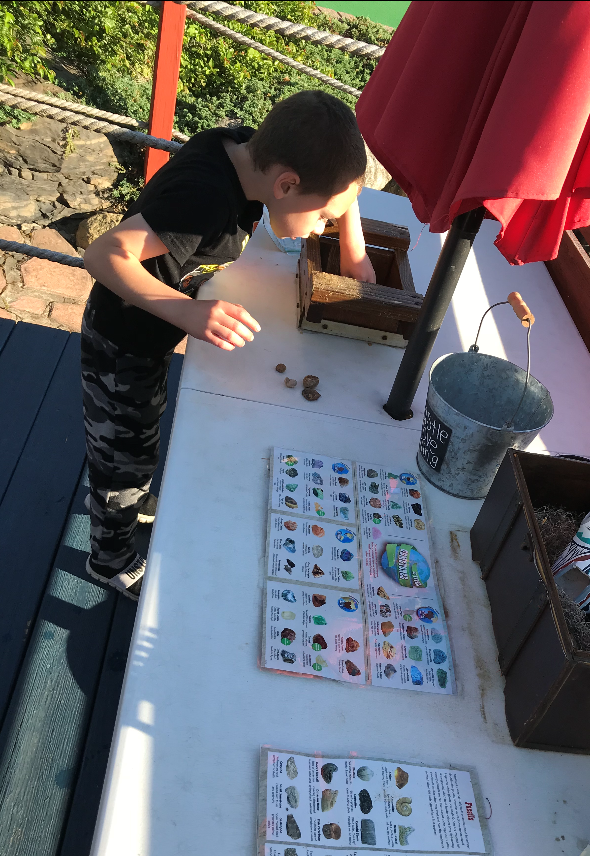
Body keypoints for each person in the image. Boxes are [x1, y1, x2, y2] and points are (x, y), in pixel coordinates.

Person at [82, 90, 374, 600]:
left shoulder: (246, 149)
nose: (322, 229)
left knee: (143, 436)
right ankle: (108, 559)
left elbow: (338, 196)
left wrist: (352, 239)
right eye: (324, 218)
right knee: (119, 458)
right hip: (121, 342)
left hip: (152, 339)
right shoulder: (204, 199)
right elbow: (103, 254)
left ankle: (138, 493)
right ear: (287, 184)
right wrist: (188, 310)